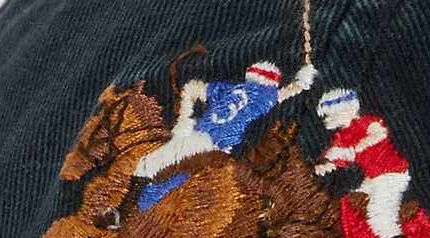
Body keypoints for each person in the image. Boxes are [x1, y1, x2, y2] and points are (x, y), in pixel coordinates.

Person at [97, 59, 316, 227]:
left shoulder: (228, 89)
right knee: (164, 168)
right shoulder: (263, 96)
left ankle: (129, 211)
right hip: (212, 142)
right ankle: (135, 208)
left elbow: (191, 88)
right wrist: (301, 82)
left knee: (155, 166)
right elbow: (284, 93)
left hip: (205, 141)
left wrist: (184, 119)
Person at [314, 85, 419, 238]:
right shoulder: (342, 136)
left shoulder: (366, 123)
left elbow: (379, 134)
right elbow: (336, 158)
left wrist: (356, 148)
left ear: (344, 110)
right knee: (353, 204)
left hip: (391, 173)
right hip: (373, 177)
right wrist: (322, 167)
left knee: (379, 215)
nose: (328, 120)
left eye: (331, 115)